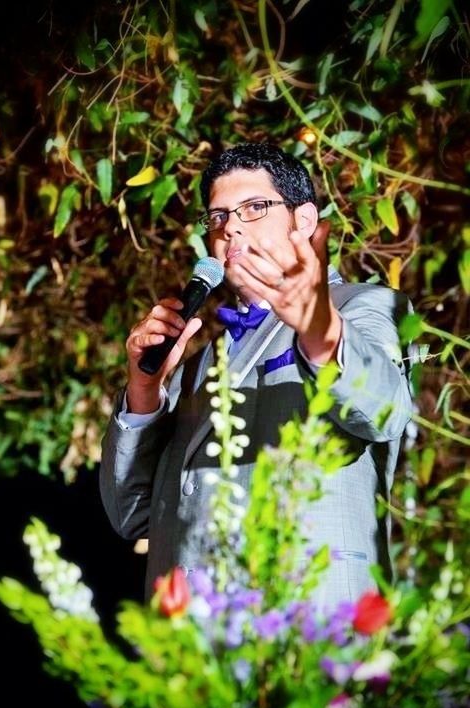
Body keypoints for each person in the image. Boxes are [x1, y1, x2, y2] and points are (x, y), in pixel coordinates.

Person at [99, 142, 412, 609]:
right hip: (192, 645)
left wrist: (319, 328)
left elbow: (384, 411)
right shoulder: (198, 362)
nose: (232, 227)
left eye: (255, 207)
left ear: (303, 221)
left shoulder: (360, 306)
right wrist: (144, 392)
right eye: (219, 216)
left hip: (305, 628)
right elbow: (131, 515)